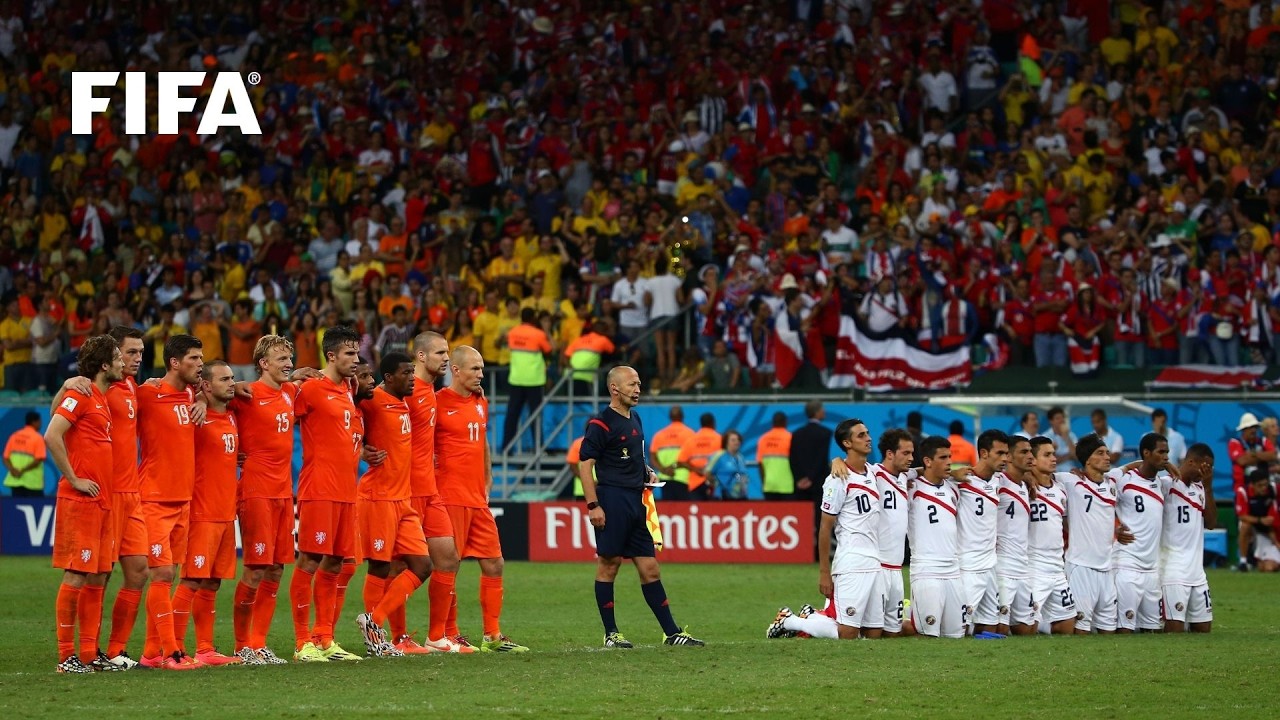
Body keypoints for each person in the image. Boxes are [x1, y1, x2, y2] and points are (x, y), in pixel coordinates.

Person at [580, 366, 705, 648]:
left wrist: (646, 471)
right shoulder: (600, 424)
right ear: (614, 388)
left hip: (637, 501)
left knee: (650, 568)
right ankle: (611, 634)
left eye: (639, 384)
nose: (638, 389)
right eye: (632, 385)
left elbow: (633, 457)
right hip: (612, 500)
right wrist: (593, 505)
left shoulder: (635, 418)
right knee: (609, 565)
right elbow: (585, 466)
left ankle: (672, 633)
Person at [435, 346, 528, 652]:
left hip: (477, 498)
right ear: (456, 370)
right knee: (449, 566)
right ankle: (448, 633)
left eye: (482, 369)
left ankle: (492, 636)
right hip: (449, 496)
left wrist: (488, 477)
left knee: (494, 563)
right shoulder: (437, 402)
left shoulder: (480, 401)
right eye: (474, 369)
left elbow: (483, 441)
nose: (480, 374)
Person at [45, 335, 123, 673]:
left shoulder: (100, 397)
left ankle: (89, 653)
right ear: (104, 365)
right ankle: (67, 657)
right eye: (118, 357)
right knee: (77, 573)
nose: (123, 362)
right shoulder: (82, 393)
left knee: (98, 576)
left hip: (101, 500)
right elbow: (52, 433)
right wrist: (75, 479)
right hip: (82, 500)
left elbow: (56, 412)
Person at [292, 326, 366, 662]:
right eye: (349, 353)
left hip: (346, 491)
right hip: (319, 488)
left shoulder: (348, 388)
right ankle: (301, 642)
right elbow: (275, 409)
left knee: (335, 562)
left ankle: (324, 638)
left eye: (357, 352)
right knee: (309, 560)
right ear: (331, 355)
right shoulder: (309, 388)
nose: (356, 359)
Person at [770, 419, 881, 641]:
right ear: (847, 443)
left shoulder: (874, 472)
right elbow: (824, 527)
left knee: (874, 634)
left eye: (868, 433)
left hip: (874, 561)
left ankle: (812, 616)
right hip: (851, 561)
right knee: (847, 633)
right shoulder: (837, 479)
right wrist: (824, 572)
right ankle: (790, 621)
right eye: (861, 435)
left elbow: (905, 469)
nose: (868, 438)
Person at [354, 352, 434, 658]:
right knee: (380, 564)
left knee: (422, 566)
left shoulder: (403, 403)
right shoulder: (372, 399)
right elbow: (346, 415)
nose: (412, 378)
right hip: (378, 496)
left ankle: (373, 621)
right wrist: (361, 449)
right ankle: (375, 635)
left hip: (403, 499)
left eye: (413, 372)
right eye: (406, 373)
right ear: (388, 378)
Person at [229, 335, 301, 665]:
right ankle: (241, 645)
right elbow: (207, 391)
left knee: (275, 570)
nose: (288, 363)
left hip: (284, 492)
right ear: (263, 363)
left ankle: (258, 644)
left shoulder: (290, 393)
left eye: (289, 358)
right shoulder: (245, 393)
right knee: (256, 570)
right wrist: (224, 390)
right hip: (256, 491)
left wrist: (303, 373)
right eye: (281, 359)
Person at [136, 333, 203, 669]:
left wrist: (201, 398)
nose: (200, 364)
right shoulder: (147, 394)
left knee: (168, 576)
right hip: (153, 498)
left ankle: (151, 653)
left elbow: (226, 387)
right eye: (194, 358)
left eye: (201, 358)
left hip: (183, 500)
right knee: (161, 573)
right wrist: (70, 383)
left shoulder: (192, 393)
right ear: (174, 362)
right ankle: (170, 652)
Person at [172, 360, 241, 665]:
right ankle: (172, 648)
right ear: (206, 385)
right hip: (201, 512)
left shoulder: (233, 415)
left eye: (232, 378)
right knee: (191, 580)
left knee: (212, 583)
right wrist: (199, 399)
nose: (232, 383)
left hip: (226, 512)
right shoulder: (195, 417)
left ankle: (205, 649)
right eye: (224, 379)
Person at [405, 331, 469, 653]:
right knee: (398, 567)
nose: (446, 358)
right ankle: (391, 635)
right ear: (421, 356)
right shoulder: (405, 390)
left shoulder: (431, 390)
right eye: (440, 353)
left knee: (448, 558)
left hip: (430, 490)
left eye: (447, 352)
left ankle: (435, 637)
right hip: (406, 490)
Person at [1064, 434, 1133, 635]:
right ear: (1087, 460)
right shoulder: (1070, 480)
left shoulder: (1112, 482)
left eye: (1107, 453)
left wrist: (1169, 467)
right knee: (1081, 629)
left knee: (1108, 631)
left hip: (1106, 567)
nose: (1107, 457)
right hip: (1081, 567)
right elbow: (1038, 475)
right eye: (1100, 453)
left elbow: (1131, 466)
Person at [1113, 433, 1172, 634]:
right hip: (1127, 563)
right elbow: (1100, 504)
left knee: (1151, 631)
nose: (1166, 457)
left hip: (1151, 569)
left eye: (1167, 452)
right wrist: (1114, 528)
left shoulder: (1161, 484)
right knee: (1125, 628)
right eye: (1161, 452)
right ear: (1146, 453)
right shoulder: (1124, 480)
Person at [909, 436, 966, 640]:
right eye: (943, 457)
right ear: (927, 461)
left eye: (950, 457)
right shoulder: (911, 487)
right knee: (928, 634)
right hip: (926, 570)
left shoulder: (954, 488)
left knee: (956, 635)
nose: (949, 462)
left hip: (953, 571)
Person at [957, 430, 1010, 637]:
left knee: (990, 626)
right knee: (960, 628)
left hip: (990, 565)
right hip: (969, 566)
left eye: (1006, 453)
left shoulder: (999, 480)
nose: (1005, 458)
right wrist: (952, 474)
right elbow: (929, 475)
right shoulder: (961, 481)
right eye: (1000, 453)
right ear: (984, 453)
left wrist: (1030, 478)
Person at [1161, 443, 1218, 633]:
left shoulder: (1201, 488)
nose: (1208, 471)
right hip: (1173, 572)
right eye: (1205, 466)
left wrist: (1208, 488)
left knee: (1203, 629)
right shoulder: (1166, 484)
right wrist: (1167, 465)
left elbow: (1211, 523)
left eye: (1210, 468)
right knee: (1174, 630)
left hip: (1197, 573)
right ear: (1192, 462)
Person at [1026, 436, 1077, 635]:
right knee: (1026, 626)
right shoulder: (1023, 487)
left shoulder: (1061, 488)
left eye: (1054, 454)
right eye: (1047, 455)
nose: (1054, 459)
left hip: (1057, 568)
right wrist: (1026, 476)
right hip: (1034, 568)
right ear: (1032, 460)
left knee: (1067, 625)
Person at [995, 435, 1038, 636]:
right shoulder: (998, 481)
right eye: (1024, 452)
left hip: (1023, 566)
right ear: (1009, 457)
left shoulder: (1024, 485)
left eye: (1031, 451)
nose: (1030, 456)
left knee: (1027, 629)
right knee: (999, 627)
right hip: (1002, 566)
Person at [1229, 412, 1276, 569]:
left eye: (1255, 427)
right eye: (1250, 428)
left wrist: (1253, 455)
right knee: (1244, 525)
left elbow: (1272, 455)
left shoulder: (1263, 441)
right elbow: (1241, 460)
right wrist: (1261, 456)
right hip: (1244, 490)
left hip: (1263, 490)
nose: (1253, 430)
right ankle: (1244, 561)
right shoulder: (1235, 442)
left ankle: (1262, 557)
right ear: (1243, 430)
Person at [502, 308, 552, 453]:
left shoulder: (512, 332)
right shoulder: (538, 334)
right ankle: (538, 448)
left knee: (512, 415)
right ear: (533, 318)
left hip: (516, 379)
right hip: (534, 380)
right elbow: (548, 350)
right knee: (535, 416)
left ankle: (506, 448)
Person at [1234, 469, 1278, 572]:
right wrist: (1260, 520)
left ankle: (1257, 562)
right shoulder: (1243, 492)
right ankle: (1243, 562)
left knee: (1268, 568)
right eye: (1260, 485)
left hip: (1268, 529)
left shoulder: (1273, 489)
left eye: (1265, 484)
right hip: (1253, 525)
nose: (1264, 488)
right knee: (1245, 525)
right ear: (1252, 485)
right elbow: (1242, 516)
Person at [649, 406, 694, 501]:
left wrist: (663, 470)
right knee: (683, 508)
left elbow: (653, 458)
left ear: (669, 417)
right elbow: (693, 458)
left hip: (665, 477)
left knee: (668, 508)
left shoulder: (659, 435)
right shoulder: (690, 434)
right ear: (682, 416)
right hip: (683, 478)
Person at [676, 412, 721, 500]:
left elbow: (680, 461)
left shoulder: (691, 440)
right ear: (713, 423)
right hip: (714, 482)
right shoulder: (719, 439)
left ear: (701, 423)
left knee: (697, 508)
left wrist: (696, 469)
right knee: (715, 508)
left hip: (695, 483)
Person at [3, 411, 45, 496]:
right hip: (32, 482)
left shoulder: (14, 436)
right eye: (39, 422)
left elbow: (5, 458)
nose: (40, 424)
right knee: (36, 504)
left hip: (15, 480)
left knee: (16, 503)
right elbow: (38, 459)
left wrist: (13, 470)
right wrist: (22, 470)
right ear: (34, 422)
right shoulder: (37, 438)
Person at [757, 412, 795, 500]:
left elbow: (760, 464)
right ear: (785, 422)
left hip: (769, 486)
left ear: (773, 423)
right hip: (787, 486)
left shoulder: (763, 439)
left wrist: (764, 483)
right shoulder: (790, 438)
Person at [704, 430, 750, 500]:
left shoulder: (740, 457)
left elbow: (739, 474)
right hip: (722, 496)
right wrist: (717, 484)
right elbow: (707, 472)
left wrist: (741, 482)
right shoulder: (719, 456)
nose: (737, 442)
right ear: (726, 442)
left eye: (738, 440)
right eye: (733, 440)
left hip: (740, 496)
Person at [1046, 406, 1077, 470]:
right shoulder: (1046, 437)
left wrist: (1067, 437)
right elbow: (1049, 460)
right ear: (1051, 421)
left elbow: (1076, 456)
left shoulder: (1072, 435)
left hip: (1071, 471)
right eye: (1058, 418)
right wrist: (1069, 456)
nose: (1061, 420)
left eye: (1063, 417)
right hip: (1054, 471)